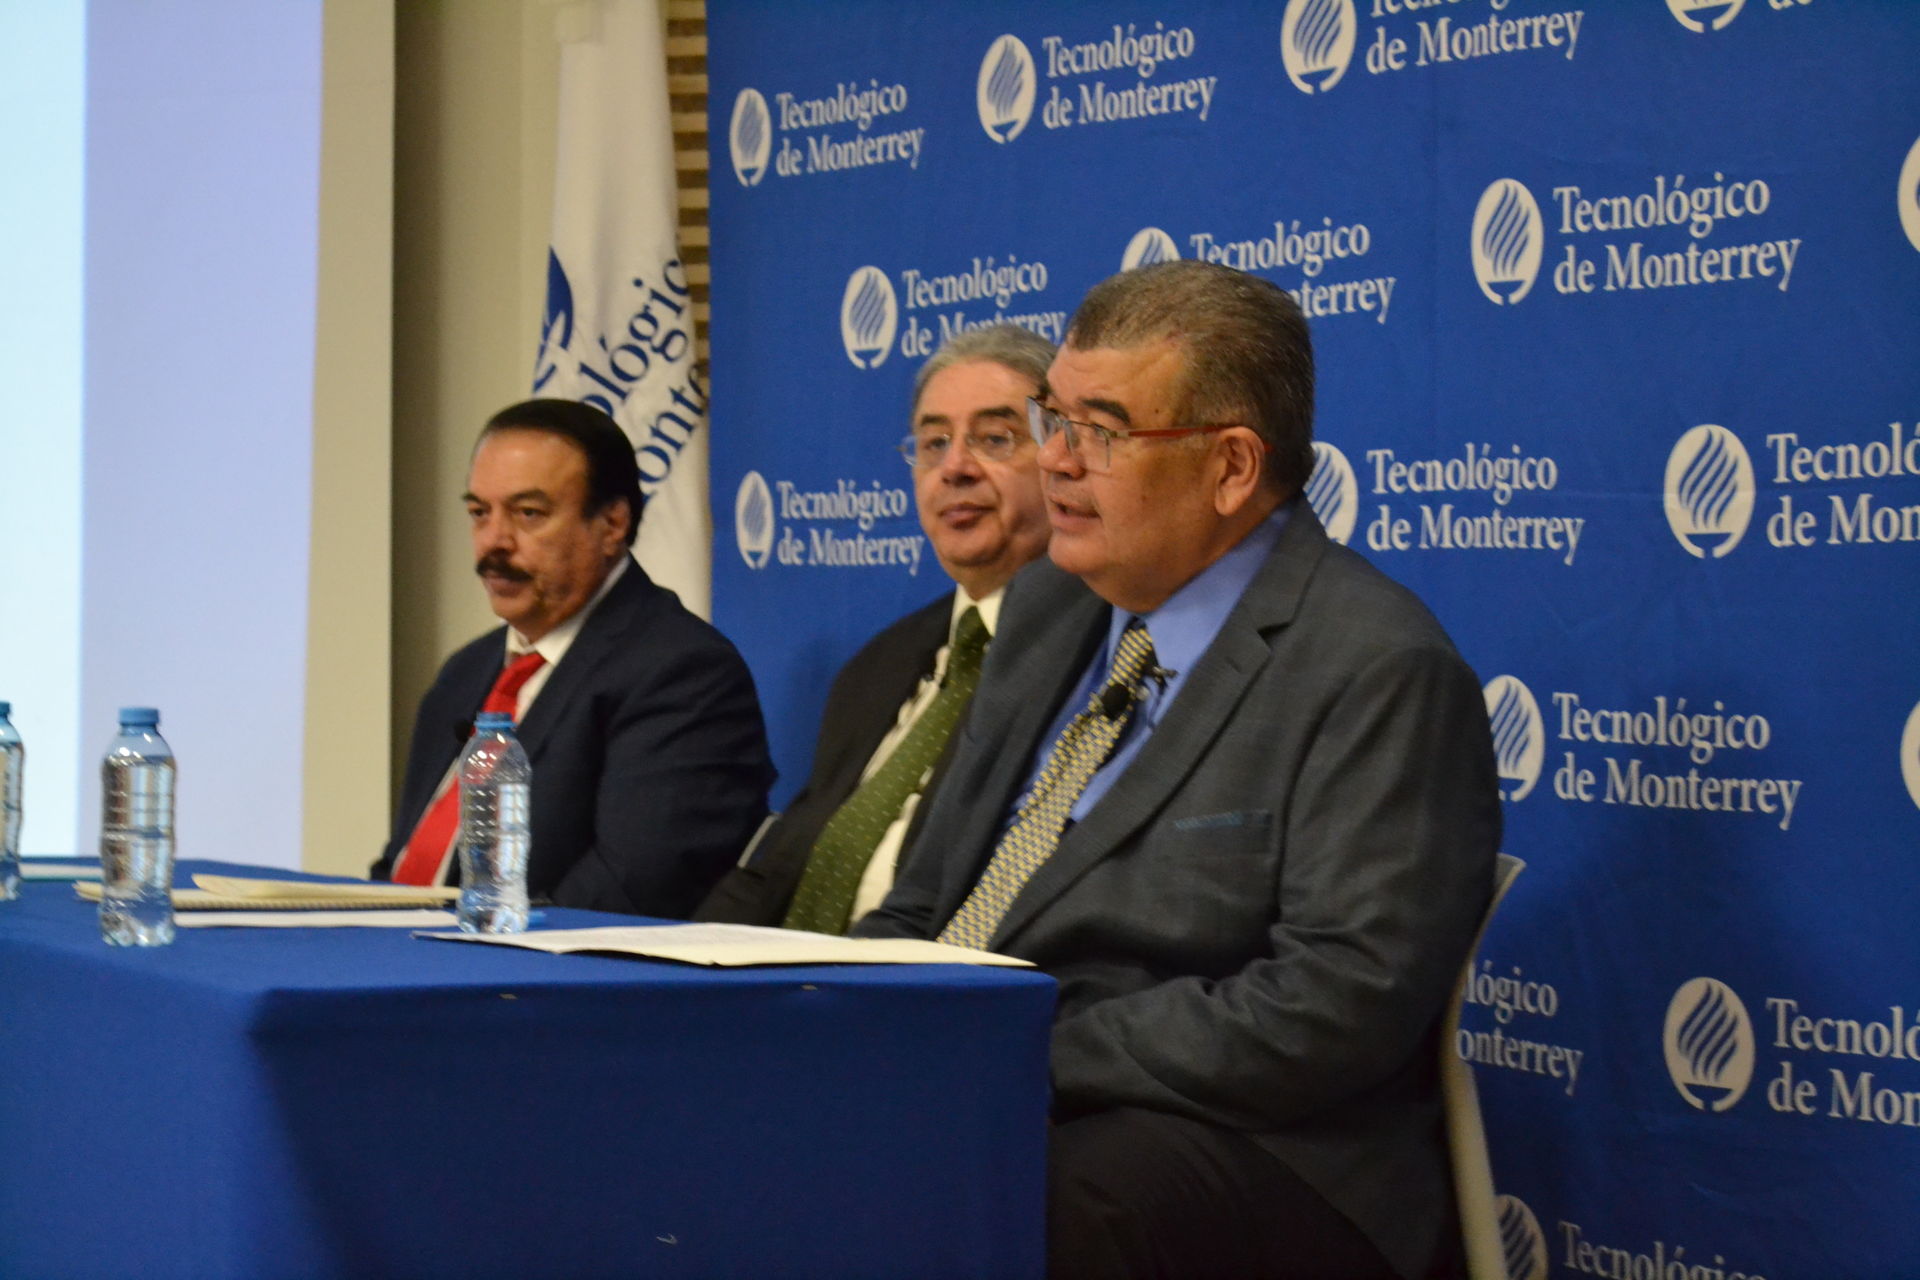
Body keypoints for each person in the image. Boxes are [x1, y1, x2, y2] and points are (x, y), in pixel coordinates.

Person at [857, 262, 1500, 1280]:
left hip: (1252, 1150)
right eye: (1050, 419)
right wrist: (840, 1008)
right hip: (1002, 1080)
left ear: (1233, 465)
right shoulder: (1047, 611)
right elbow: (932, 900)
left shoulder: (1377, 666)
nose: (1055, 462)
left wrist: (1021, 1054)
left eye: (1097, 433)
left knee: (1035, 1192)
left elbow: (1335, 1002)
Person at [696, 324, 1055, 933]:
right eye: (934, 442)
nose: (956, 468)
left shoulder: (1090, 661)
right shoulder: (882, 663)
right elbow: (783, 864)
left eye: (995, 438)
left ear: (1063, 458)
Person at [372, 398, 773, 917]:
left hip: (530, 982)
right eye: (479, 513)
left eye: (528, 513)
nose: (494, 542)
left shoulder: (682, 673)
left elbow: (630, 891)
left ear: (611, 524)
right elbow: (408, 865)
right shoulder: (465, 673)